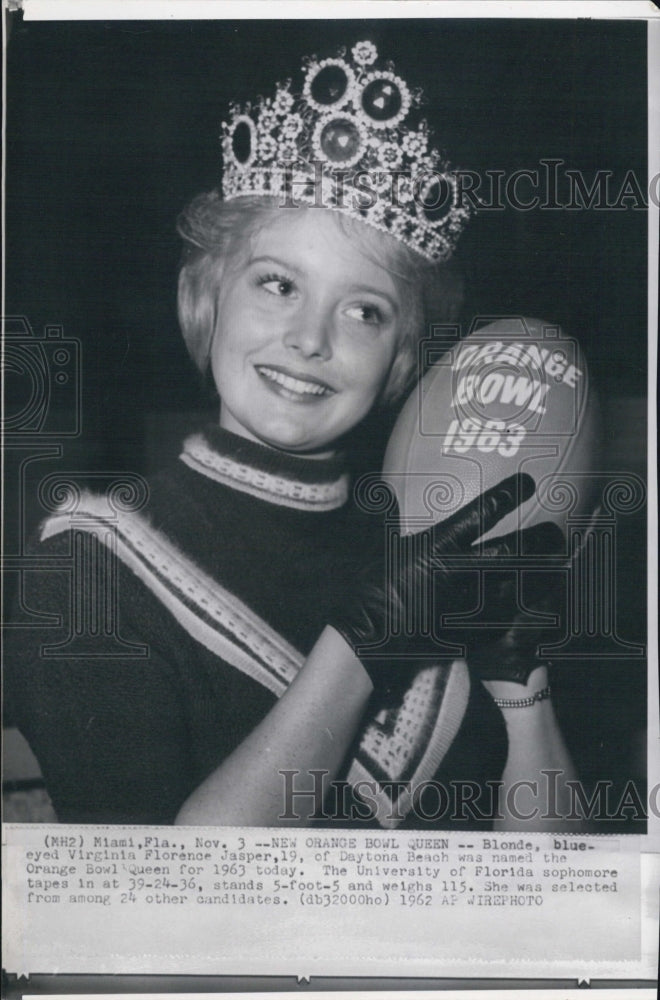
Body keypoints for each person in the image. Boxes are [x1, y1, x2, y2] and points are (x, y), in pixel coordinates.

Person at [5, 40, 577, 829]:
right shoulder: (85, 570)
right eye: (278, 284)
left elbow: (546, 910)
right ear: (204, 300)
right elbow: (158, 905)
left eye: (364, 310)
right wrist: (358, 652)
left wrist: (522, 682)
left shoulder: (431, 549)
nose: (311, 338)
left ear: (402, 358)